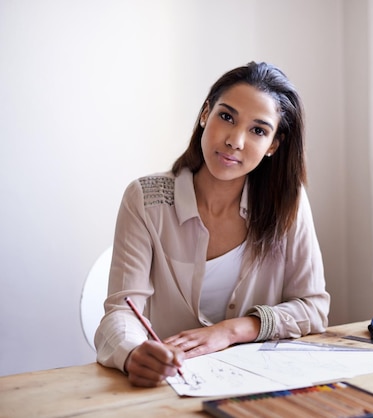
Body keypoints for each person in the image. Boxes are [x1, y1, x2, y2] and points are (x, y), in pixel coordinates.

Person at [94, 61, 330, 387]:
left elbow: (314, 308)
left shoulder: (289, 202)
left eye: (258, 130)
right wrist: (134, 353)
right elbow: (121, 311)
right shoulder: (145, 199)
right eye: (227, 117)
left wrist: (233, 330)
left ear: (274, 144)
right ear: (206, 114)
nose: (235, 140)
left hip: (260, 385)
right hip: (168, 386)